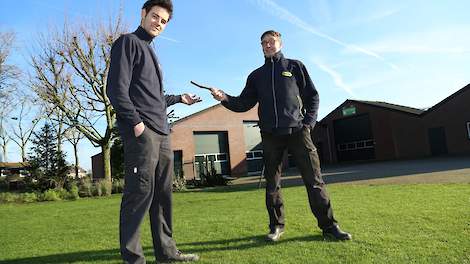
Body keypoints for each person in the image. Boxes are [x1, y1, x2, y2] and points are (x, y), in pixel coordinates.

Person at [211, 30, 352, 242]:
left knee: (314, 181)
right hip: (270, 136)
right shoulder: (256, 76)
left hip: (298, 132)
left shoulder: (295, 67)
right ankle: (276, 227)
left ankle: (330, 226)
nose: (267, 45)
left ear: (280, 43)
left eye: (271, 42)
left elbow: (312, 96)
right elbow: (243, 103)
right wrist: (224, 98)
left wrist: (308, 123)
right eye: (263, 43)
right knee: (272, 184)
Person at [106, 0, 201, 263]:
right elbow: (116, 90)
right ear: (143, 14)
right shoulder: (128, 43)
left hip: (162, 134)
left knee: (162, 196)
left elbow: (154, 97)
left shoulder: (151, 52)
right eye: (155, 16)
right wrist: (137, 124)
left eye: (164, 21)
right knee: (139, 195)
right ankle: (133, 259)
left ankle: (167, 253)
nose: (159, 23)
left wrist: (180, 98)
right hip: (143, 134)